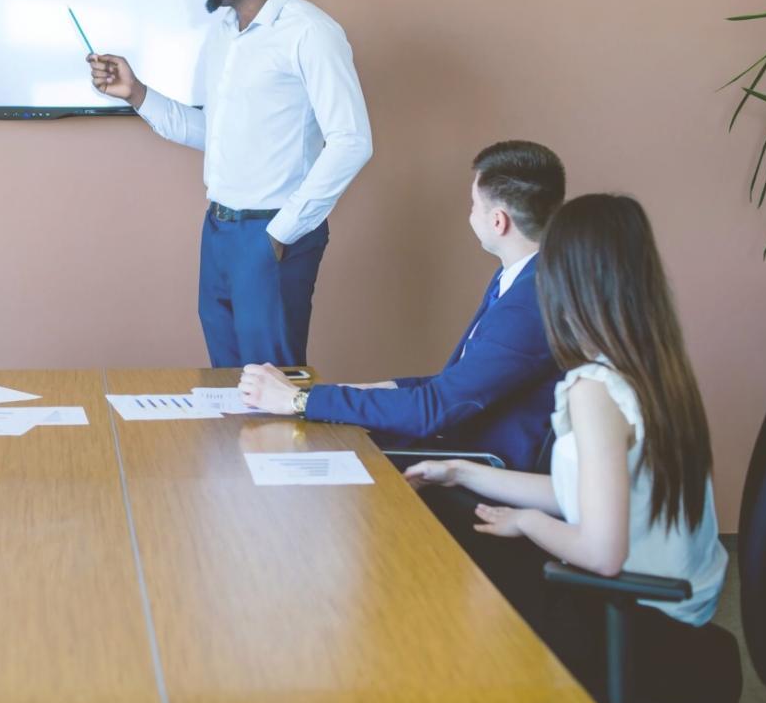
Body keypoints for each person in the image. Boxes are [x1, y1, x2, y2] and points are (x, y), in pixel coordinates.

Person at [404, 194, 732, 703]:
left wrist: (527, 523)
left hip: (636, 621)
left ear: (563, 284)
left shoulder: (594, 388)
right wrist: (459, 472)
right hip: (679, 606)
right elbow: (584, 492)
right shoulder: (652, 366)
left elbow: (602, 555)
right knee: (460, 520)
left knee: (447, 588)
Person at [88, 0, 372, 368]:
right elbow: (216, 133)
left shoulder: (310, 32)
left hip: (273, 231)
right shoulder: (223, 35)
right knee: (227, 382)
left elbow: (352, 141)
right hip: (218, 230)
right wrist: (136, 94)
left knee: (272, 383)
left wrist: (281, 234)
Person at [236, 141, 566, 471]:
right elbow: (454, 385)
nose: (469, 213)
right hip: (449, 447)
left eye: (473, 205)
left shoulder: (526, 306)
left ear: (498, 221)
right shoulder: (522, 278)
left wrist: (297, 401)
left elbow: (435, 409)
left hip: (472, 468)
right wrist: (339, 392)